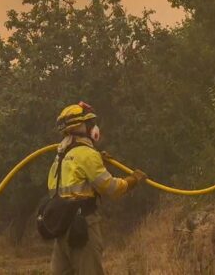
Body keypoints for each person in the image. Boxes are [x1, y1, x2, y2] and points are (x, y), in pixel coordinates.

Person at [47, 101, 147, 275]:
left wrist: (97, 158)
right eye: (90, 123)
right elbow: (112, 188)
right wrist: (133, 180)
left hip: (61, 227)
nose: (94, 127)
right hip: (82, 227)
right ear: (81, 126)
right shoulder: (87, 154)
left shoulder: (61, 154)